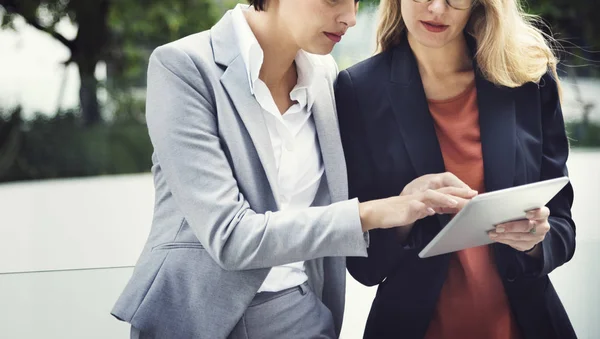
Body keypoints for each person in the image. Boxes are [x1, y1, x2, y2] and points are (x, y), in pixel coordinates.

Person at [111, 1, 475, 338]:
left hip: (300, 314)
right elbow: (230, 236)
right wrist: (371, 213)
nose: (349, 17)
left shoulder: (325, 76)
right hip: (197, 319)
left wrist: (405, 201)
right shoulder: (184, 67)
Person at [335, 0, 577, 338]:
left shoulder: (527, 77)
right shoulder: (357, 90)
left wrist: (536, 241)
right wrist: (401, 212)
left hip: (524, 324)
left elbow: (563, 228)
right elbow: (363, 266)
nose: (437, 8)